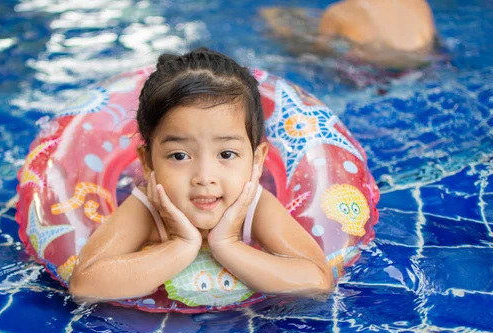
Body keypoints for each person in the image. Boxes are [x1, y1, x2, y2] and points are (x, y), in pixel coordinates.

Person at [69, 48, 332, 303]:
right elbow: (85, 285)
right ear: (148, 162)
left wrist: (227, 244)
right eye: (179, 156)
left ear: (258, 159)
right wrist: (182, 244)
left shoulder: (256, 206)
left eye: (226, 154)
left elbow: (317, 281)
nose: (205, 177)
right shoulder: (145, 207)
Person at [261, 0, 438, 70]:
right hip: (427, 68)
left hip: (371, 74)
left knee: (273, 16)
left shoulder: (339, 12)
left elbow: (319, 51)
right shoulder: (419, 3)